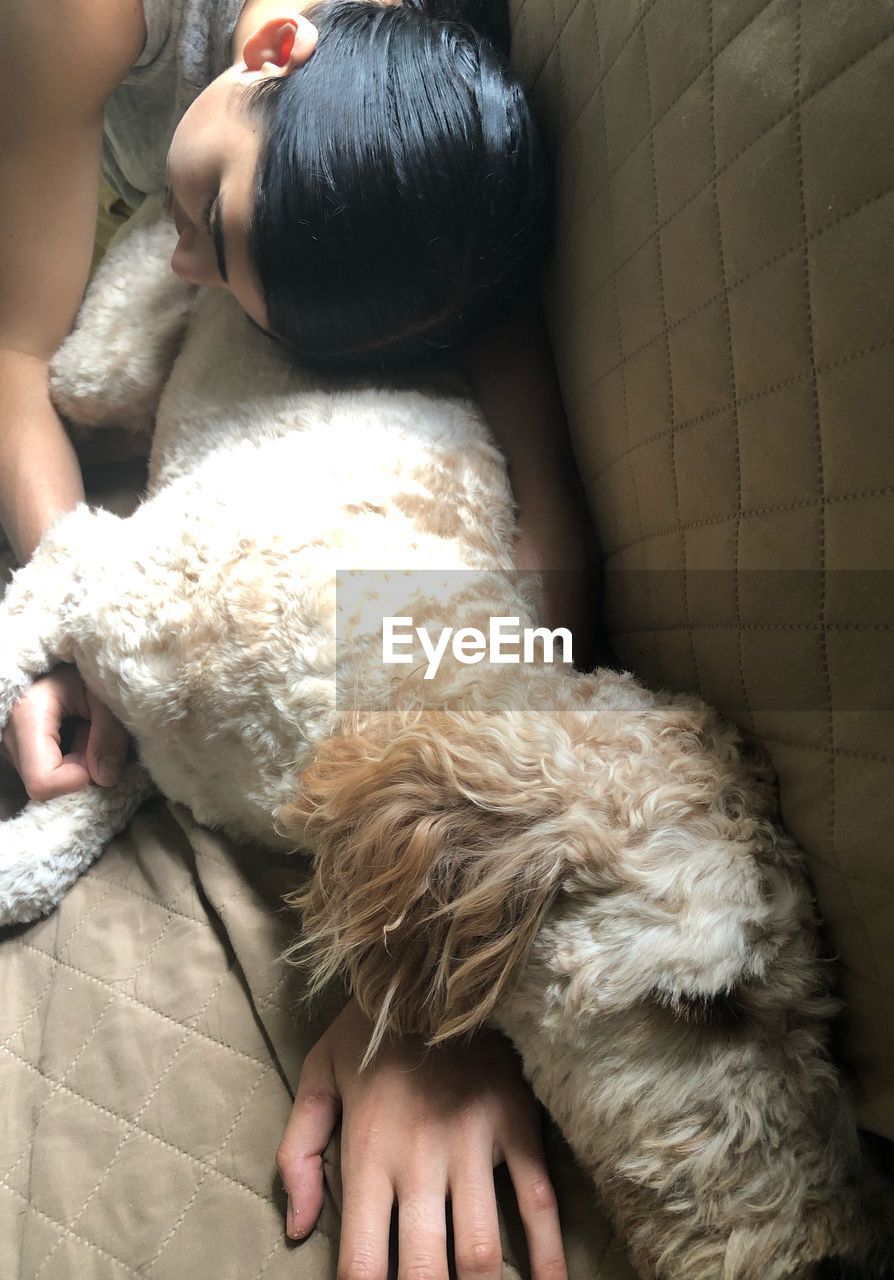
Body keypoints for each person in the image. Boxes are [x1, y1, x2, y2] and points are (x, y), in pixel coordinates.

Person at [0, 0, 597, 1274]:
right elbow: (13, 350)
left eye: (226, 270)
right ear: (272, 48)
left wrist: (438, 982)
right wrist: (79, 608)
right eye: (210, 225)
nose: (182, 271)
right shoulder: (96, 22)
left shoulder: (425, 142)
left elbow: (546, 519)